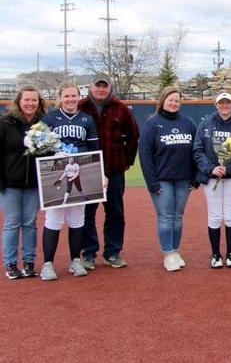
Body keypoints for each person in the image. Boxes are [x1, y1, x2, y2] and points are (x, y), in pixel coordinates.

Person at [39, 83, 100, 281]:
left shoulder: (86, 119)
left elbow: (94, 148)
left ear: (78, 97)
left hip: (79, 170)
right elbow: (40, 148)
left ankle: (75, 259)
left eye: (74, 95)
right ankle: (48, 264)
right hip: (58, 170)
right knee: (54, 219)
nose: (71, 99)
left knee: (77, 219)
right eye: (66, 96)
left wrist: (100, 173)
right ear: (60, 97)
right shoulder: (49, 118)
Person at [79, 74, 139, 270]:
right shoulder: (81, 107)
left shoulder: (120, 108)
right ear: (91, 87)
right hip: (87, 170)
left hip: (113, 169)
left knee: (114, 212)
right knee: (87, 213)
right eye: (98, 86)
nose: (101, 90)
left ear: (109, 87)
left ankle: (112, 252)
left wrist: (126, 162)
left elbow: (133, 137)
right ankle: (88, 252)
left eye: (104, 86)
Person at [139, 87, 198, 272]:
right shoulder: (152, 124)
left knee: (178, 217)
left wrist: (196, 177)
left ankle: (175, 251)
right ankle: (168, 253)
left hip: (183, 179)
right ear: (163, 100)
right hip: (162, 179)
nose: (173, 103)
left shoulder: (188, 123)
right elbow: (145, 155)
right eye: (170, 100)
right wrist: (152, 182)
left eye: (177, 100)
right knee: (165, 216)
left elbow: (197, 150)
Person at [193, 92, 231, 269]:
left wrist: (230, 168)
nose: (225, 105)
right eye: (222, 102)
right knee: (214, 215)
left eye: (228, 103)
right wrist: (211, 169)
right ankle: (215, 255)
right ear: (216, 105)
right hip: (212, 177)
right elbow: (197, 150)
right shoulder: (206, 123)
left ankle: (230, 254)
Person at [1, 85, 46, 279]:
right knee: (12, 223)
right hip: (10, 183)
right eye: (26, 99)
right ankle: (10, 264)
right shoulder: (5, 123)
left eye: (34, 100)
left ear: (39, 103)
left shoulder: (42, 125)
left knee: (30, 223)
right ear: (19, 101)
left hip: (33, 184)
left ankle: (29, 262)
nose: (30, 103)